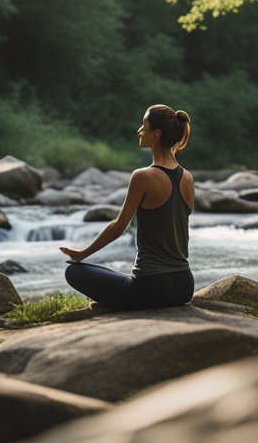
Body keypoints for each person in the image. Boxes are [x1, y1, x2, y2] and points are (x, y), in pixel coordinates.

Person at [58, 105, 194, 310]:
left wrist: (80, 254)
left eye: (144, 125)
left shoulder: (143, 176)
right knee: (114, 276)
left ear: (156, 134)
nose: (139, 130)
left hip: (151, 288)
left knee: (74, 271)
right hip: (184, 286)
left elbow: (118, 227)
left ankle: (118, 302)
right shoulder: (188, 178)